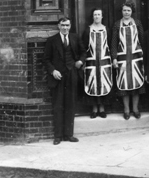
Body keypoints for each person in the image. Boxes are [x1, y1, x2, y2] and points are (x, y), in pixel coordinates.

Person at [43, 17, 86, 145]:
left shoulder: (75, 37)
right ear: (58, 26)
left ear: (70, 26)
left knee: (70, 105)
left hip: (71, 75)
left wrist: (80, 61)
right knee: (58, 106)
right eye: (63, 25)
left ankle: (69, 134)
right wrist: (53, 71)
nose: (65, 28)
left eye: (67, 25)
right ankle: (58, 136)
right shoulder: (52, 41)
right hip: (58, 77)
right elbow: (46, 59)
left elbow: (83, 52)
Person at [111, 1, 145, 120]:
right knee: (124, 85)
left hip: (136, 58)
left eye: (128, 10)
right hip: (123, 59)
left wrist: (144, 57)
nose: (126, 12)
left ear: (132, 12)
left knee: (136, 84)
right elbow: (114, 43)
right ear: (122, 11)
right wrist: (114, 58)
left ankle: (135, 109)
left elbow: (142, 40)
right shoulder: (117, 24)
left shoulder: (138, 23)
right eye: (124, 10)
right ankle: (126, 110)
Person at [82, 8, 112, 119]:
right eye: (95, 14)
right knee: (92, 84)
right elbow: (84, 47)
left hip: (104, 63)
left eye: (99, 14)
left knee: (104, 83)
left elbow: (109, 45)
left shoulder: (106, 30)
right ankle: (94, 109)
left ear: (102, 16)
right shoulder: (87, 30)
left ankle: (102, 108)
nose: (97, 16)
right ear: (92, 16)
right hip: (92, 62)